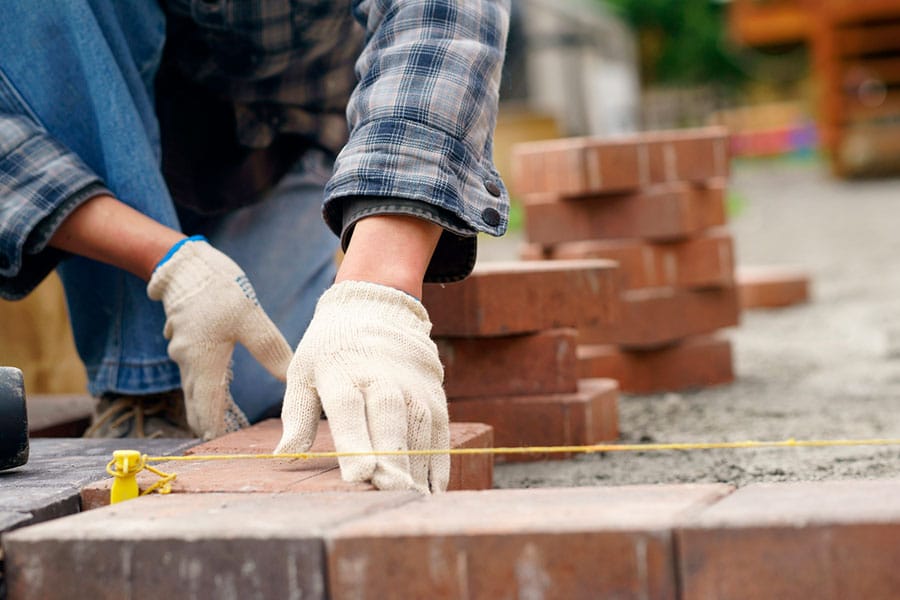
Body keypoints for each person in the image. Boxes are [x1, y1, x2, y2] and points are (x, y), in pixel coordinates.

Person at [0, 1, 510, 494]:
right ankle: (143, 390)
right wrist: (168, 261)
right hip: (109, 153)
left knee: (261, 395)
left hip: (283, 145)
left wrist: (378, 287)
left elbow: (442, 17)